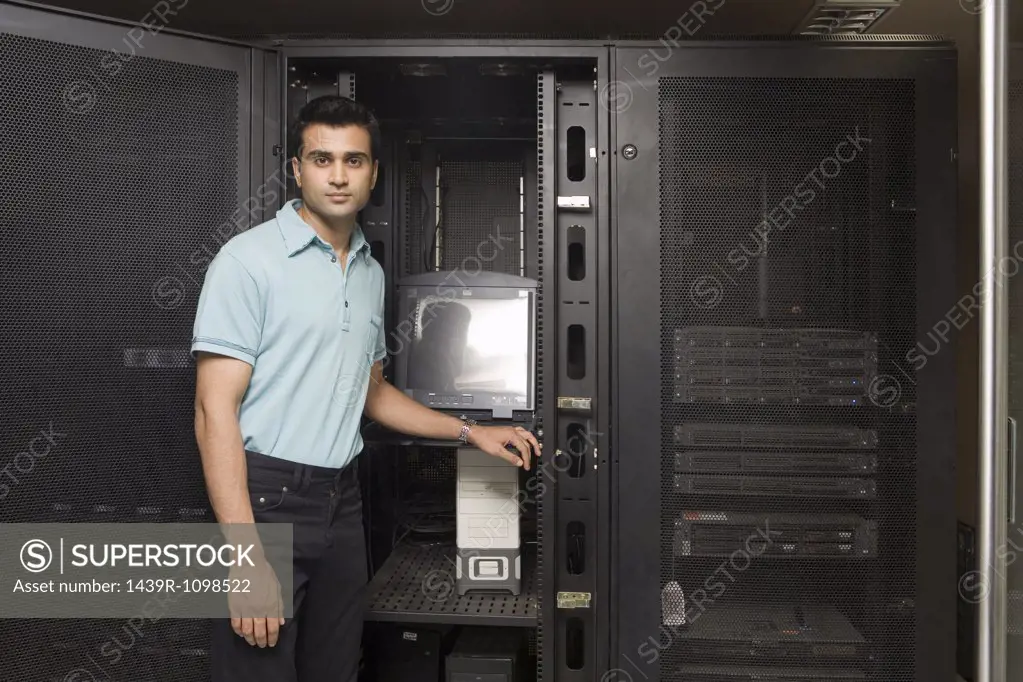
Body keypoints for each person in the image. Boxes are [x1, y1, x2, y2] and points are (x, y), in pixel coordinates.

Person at [190, 95, 541, 682]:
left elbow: (371, 393)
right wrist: (245, 555)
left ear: (374, 173)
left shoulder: (368, 270)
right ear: (297, 170)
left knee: (334, 669)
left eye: (354, 161)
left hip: (341, 502)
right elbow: (211, 411)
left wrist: (471, 431)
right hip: (266, 499)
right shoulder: (247, 262)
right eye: (321, 159)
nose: (337, 175)